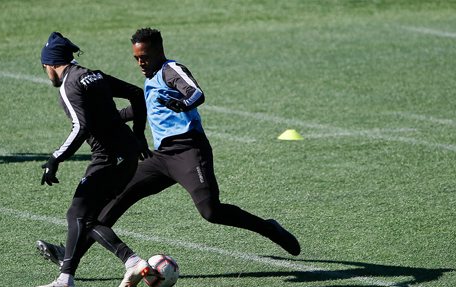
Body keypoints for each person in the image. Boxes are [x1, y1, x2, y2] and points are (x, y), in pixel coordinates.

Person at [36, 28, 300, 273]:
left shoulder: (171, 69)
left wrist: (182, 103)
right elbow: (140, 109)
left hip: (188, 151)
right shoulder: (150, 80)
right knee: (112, 205)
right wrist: (108, 121)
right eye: (136, 58)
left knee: (211, 211)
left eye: (145, 57)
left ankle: (269, 228)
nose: (140, 63)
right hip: (159, 157)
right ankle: (68, 256)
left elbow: (196, 93)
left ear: (158, 52)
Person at [32, 32, 155, 287]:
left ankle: (132, 262)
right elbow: (136, 95)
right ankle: (68, 277)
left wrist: (55, 158)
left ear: (50, 64)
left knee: (77, 214)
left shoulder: (69, 86)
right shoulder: (92, 75)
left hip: (108, 159)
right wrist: (138, 135)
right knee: (86, 218)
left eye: (45, 68)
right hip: (127, 157)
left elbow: (81, 127)